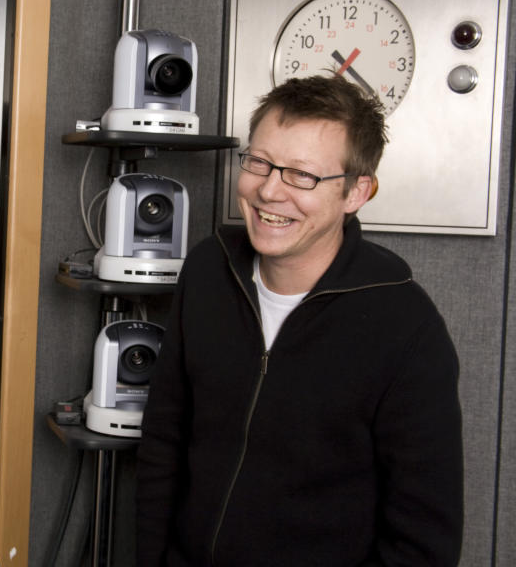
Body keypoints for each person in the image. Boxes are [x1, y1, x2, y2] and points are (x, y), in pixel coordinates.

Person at [136, 74, 463, 566]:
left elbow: (424, 542)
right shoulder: (207, 270)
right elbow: (164, 441)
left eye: (302, 175)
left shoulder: (407, 328)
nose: (269, 191)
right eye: (260, 163)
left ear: (356, 192)